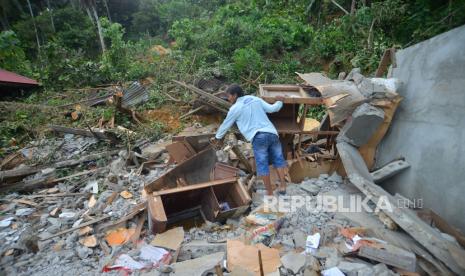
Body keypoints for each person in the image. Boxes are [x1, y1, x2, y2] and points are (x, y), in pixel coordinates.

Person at [213, 84, 287, 196]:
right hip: (272, 133)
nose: (228, 98)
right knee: (278, 159)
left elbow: (225, 125)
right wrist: (280, 101)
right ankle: (283, 186)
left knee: (262, 164)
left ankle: (270, 193)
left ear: (235, 95)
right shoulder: (255, 99)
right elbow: (273, 109)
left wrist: (217, 138)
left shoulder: (235, 108)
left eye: (229, 96)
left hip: (258, 137)